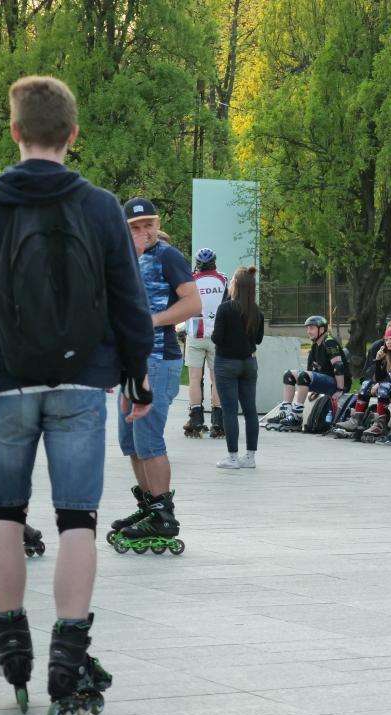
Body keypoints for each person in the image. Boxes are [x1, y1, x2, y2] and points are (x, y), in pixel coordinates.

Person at [0, 75, 153, 715]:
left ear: (14, 131)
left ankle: (11, 645)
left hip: (2, 379)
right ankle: (69, 662)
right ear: (73, 134)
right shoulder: (100, 207)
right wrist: (136, 378)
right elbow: (128, 298)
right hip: (79, 382)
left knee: (6, 514)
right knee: (78, 522)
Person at [110, 196, 200, 551]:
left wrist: (151, 321)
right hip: (130, 363)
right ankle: (149, 507)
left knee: (148, 440)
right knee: (129, 441)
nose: (144, 231)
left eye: (149, 224)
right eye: (136, 226)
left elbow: (193, 304)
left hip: (158, 358)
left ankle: (165, 514)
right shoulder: (124, 260)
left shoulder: (167, 255)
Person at [211, 267, 264, 469]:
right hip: (249, 364)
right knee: (250, 410)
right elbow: (258, 340)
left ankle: (232, 457)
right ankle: (250, 457)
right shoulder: (257, 311)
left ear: (236, 284)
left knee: (230, 411)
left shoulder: (225, 308)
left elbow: (217, 337)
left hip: (226, 363)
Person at [183, 248, 228, 439]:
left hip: (195, 334)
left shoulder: (191, 279)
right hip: (218, 336)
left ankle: (196, 419)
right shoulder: (223, 279)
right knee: (216, 379)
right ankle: (218, 421)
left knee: (194, 379)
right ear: (214, 262)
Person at [274, 315, 350, 430]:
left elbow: (338, 366)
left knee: (303, 376)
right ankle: (285, 411)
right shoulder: (315, 346)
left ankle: (296, 416)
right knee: (288, 374)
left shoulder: (329, 342)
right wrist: (314, 387)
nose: (308, 331)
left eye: (312, 328)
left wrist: (340, 389)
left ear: (322, 329)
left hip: (337, 383)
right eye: (308, 328)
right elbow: (310, 372)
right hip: (325, 381)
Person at [332, 322, 391, 438]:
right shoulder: (387, 354)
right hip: (389, 384)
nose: (388, 342)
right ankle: (356, 420)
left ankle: (380, 424)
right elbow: (379, 377)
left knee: (384, 387)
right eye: (386, 339)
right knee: (365, 384)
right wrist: (379, 360)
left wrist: (380, 384)